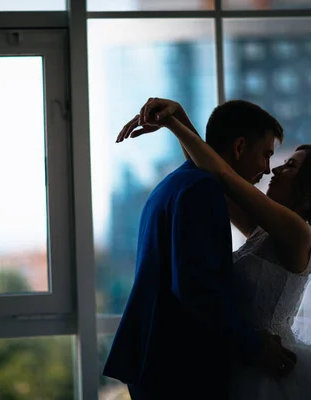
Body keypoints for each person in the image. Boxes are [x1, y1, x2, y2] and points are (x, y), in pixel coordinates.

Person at [116, 98, 311, 399]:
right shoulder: (264, 230)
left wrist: (176, 124)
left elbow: (224, 175)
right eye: (272, 157)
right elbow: (215, 168)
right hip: (245, 356)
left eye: (289, 166)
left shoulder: (298, 233)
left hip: (265, 365)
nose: (274, 170)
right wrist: (178, 119)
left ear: (308, 190)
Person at [103, 98, 297, 399]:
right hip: (180, 368)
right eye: (266, 154)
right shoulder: (202, 190)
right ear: (239, 147)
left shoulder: (180, 182)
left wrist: (178, 118)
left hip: (159, 360)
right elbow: (197, 289)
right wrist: (255, 346)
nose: (268, 168)